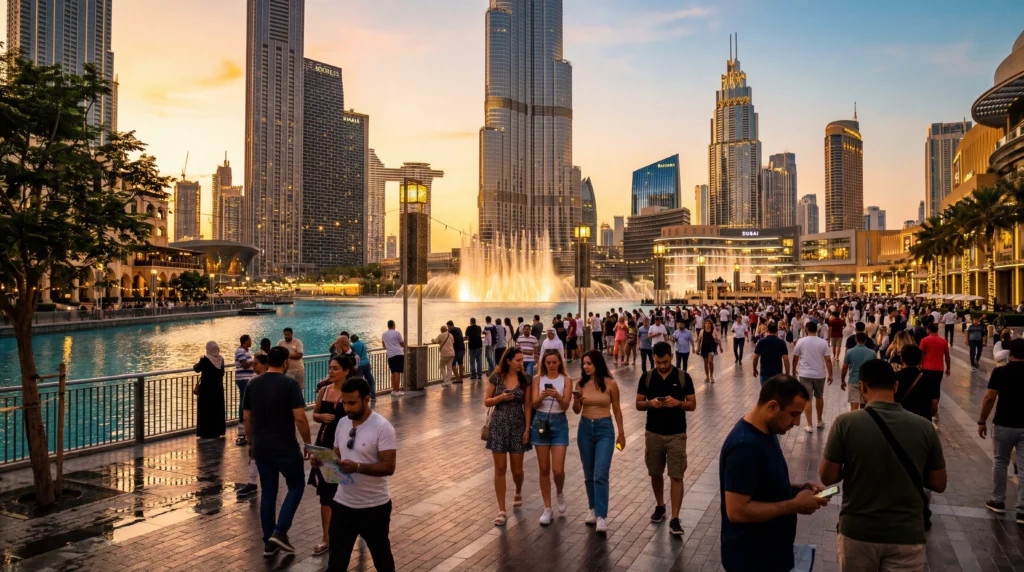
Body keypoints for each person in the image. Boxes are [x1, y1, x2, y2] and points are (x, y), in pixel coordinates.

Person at [820, 359, 947, 571]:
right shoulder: (924, 427)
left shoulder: (845, 423)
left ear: (862, 386)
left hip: (858, 532)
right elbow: (939, 483)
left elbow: (827, 477)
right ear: (895, 386)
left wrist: (854, 464)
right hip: (907, 535)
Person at [720, 375, 827, 572]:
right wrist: (794, 505)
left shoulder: (767, 432)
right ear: (772, 407)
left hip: (770, 555)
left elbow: (759, 486)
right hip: (751, 560)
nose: (797, 422)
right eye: (794, 414)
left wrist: (797, 489)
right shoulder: (744, 446)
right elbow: (737, 511)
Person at [243, 346, 313, 556]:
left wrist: (250, 442)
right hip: (285, 446)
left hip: (261, 448)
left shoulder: (253, 383)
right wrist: (308, 443)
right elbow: (300, 418)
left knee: (268, 494)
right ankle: (280, 532)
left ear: (267, 362)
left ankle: (268, 543)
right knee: (296, 485)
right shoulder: (290, 384)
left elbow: (247, 417)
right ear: (285, 363)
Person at [328, 377, 397, 572]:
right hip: (342, 504)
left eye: (352, 403)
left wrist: (357, 467)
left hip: (374, 507)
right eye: (344, 403)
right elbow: (336, 456)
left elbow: (389, 467)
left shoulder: (382, 427)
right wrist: (324, 461)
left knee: (382, 559)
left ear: (366, 399)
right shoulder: (342, 423)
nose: (347, 408)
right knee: (336, 563)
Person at [636, 342, 696, 537]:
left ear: (671, 356)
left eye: (665, 361)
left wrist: (677, 403)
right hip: (653, 432)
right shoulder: (647, 377)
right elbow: (638, 404)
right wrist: (650, 403)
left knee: (676, 475)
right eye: (658, 362)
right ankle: (660, 505)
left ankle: (675, 517)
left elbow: (692, 404)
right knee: (655, 472)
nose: (662, 365)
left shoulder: (683, 377)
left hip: (677, 433)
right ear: (654, 358)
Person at [573, 350, 626, 534]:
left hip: (605, 429)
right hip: (585, 429)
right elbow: (576, 410)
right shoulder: (580, 383)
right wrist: (576, 400)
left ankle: (601, 515)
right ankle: (593, 508)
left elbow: (617, 409)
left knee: (601, 472)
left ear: (597, 364)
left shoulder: (610, 384)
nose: (585, 367)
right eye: (584, 364)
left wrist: (621, 433)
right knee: (589, 473)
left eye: (589, 363)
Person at [309, 355, 354, 556]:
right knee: (326, 494)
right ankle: (326, 538)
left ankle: (353, 529)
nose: (331, 371)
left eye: (336, 368)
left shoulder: (352, 393)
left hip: (346, 448)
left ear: (346, 371)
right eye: (330, 367)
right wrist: (321, 416)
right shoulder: (324, 390)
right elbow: (315, 414)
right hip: (325, 446)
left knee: (348, 491)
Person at [484, 348, 532, 526]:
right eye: (518, 360)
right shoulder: (496, 377)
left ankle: (518, 488)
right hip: (499, 425)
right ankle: (502, 510)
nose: (521, 363)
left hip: (518, 425)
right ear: (509, 361)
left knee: (517, 470)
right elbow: (487, 401)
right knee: (500, 469)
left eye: (522, 360)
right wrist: (500, 398)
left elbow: (528, 405)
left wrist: (527, 428)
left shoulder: (526, 379)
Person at [978, 339, 1024, 521]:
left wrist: (982, 421)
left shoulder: (1000, 372)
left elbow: (989, 398)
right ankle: (1022, 508)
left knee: (1000, 461)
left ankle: (997, 500)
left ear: (1010, 353)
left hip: (1004, 423)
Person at [531, 350, 573, 525]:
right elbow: (533, 404)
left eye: (554, 362)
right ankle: (547, 507)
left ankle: (560, 492)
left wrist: (558, 396)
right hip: (541, 422)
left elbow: (565, 406)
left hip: (559, 423)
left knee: (558, 470)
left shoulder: (566, 380)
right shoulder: (537, 379)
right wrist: (541, 396)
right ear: (544, 363)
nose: (551, 365)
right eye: (548, 362)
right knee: (543, 468)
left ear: (559, 362)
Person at [791, 321, 832, 431]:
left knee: (807, 398)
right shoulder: (823, 342)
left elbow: (795, 357)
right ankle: (819, 421)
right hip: (819, 374)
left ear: (806, 329)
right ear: (817, 330)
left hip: (805, 374)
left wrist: (793, 370)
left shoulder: (801, 341)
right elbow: (828, 360)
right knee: (819, 396)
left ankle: (809, 425)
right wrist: (830, 374)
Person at [194, 341, 226, 440]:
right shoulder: (221, 359)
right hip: (218, 389)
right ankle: (217, 431)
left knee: (206, 411)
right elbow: (222, 373)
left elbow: (196, 368)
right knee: (217, 410)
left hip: (206, 390)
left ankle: (205, 432)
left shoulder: (205, 359)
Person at [893, 345, 935, 421]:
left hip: (901, 420)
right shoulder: (928, 379)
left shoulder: (894, 377)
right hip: (923, 420)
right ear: (920, 360)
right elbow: (934, 406)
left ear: (901, 358)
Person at [919, 322, 950, 421]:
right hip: (939, 369)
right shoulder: (943, 341)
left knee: (926, 388)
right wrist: (948, 368)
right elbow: (947, 356)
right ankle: (934, 410)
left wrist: (919, 365)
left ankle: (926, 408)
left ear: (928, 329)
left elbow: (921, 355)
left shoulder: (924, 340)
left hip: (926, 368)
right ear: (937, 330)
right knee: (936, 389)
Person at [841, 333, 876, 411]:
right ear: (865, 340)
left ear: (856, 339)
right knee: (864, 406)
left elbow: (844, 367)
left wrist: (842, 380)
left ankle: (854, 418)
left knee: (854, 406)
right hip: (867, 381)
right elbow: (875, 368)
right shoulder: (872, 353)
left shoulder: (849, 352)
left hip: (853, 380)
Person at [752, 321, 790, 387]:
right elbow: (786, 359)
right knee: (776, 392)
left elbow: (755, 358)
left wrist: (754, 369)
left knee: (766, 392)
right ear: (777, 330)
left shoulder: (761, 342)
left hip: (764, 373)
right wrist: (787, 373)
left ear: (767, 330)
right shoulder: (781, 343)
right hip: (777, 373)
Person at [234, 335, 255, 446]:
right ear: (246, 341)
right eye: (250, 340)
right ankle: (242, 421)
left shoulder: (245, 351)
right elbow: (245, 365)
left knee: (246, 399)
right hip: (243, 379)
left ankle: (246, 420)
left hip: (247, 379)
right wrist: (254, 361)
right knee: (244, 399)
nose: (251, 342)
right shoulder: (240, 351)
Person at [382, 320, 405, 396]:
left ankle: (394, 390)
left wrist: (389, 347)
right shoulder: (397, 333)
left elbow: (384, 345)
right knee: (397, 372)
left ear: (388, 326)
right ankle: (397, 391)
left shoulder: (384, 334)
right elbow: (402, 343)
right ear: (393, 325)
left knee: (393, 373)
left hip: (390, 355)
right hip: (398, 354)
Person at [350, 334, 375, 400]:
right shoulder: (363, 344)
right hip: (366, 364)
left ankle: (359, 397)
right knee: (370, 381)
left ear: (352, 340)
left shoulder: (353, 346)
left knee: (358, 382)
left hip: (359, 366)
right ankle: (373, 396)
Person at [696, 319, 722, 383]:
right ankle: (707, 376)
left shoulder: (713, 331)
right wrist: (697, 348)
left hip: (711, 348)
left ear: (711, 324)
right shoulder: (702, 331)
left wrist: (720, 347)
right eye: (706, 323)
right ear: (704, 324)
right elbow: (699, 340)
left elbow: (718, 339)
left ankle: (711, 376)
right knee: (705, 362)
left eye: (708, 323)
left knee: (710, 362)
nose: (707, 325)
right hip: (704, 348)